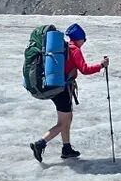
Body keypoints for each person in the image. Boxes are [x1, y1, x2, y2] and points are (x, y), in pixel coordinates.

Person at [30, 23, 108, 162]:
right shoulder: (74, 50)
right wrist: (101, 65)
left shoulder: (63, 48)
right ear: (80, 38)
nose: (84, 42)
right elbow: (85, 69)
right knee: (63, 123)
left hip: (55, 87)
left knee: (67, 119)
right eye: (84, 39)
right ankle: (40, 143)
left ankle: (66, 148)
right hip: (63, 90)